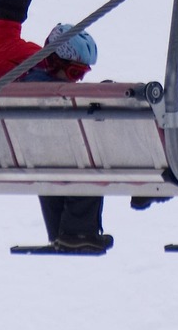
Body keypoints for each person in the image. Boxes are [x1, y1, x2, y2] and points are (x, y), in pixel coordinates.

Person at [0, 0, 114, 255]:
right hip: (25, 151)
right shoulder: (32, 58)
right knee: (67, 142)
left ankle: (68, 231)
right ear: (22, 17)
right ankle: (75, 230)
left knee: (48, 144)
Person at [22, 24, 113, 254]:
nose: (77, 80)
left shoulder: (26, 87)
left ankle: (62, 232)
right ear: (53, 62)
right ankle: (77, 231)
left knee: (50, 159)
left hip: (32, 159)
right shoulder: (56, 95)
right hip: (65, 156)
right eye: (74, 73)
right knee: (88, 154)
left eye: (82, 74)